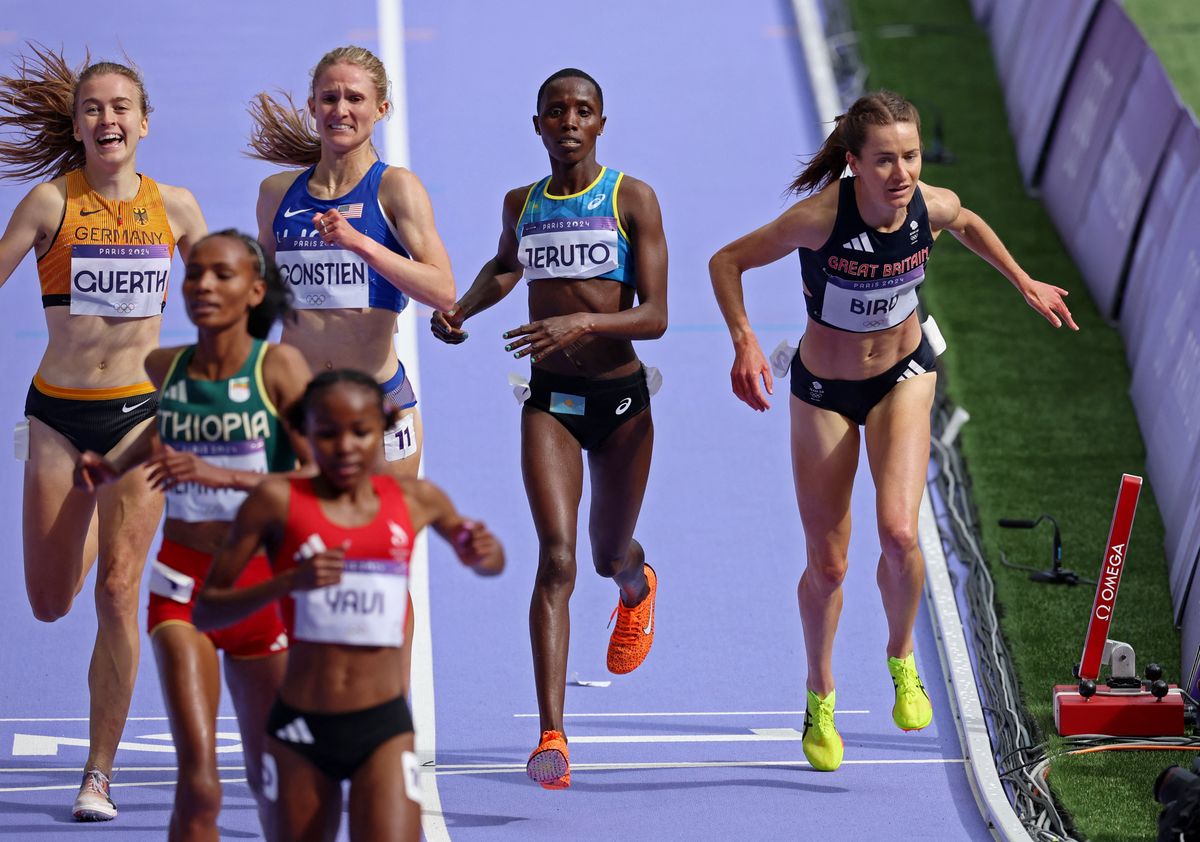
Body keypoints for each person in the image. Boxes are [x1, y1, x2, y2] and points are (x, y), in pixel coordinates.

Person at [708, 90, 1078, 772]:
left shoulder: (926, 207)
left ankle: (901, 655)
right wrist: (745, 342)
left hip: (905, 375)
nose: (902, 173)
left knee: (901, 532)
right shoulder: (819, 218)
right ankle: (820, 692)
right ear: (853, 163)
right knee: (829, 564)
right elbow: (726, 262)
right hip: (824, 391)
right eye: (884, 161)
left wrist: (1023, 280)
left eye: (909, 156)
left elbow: (965, 220)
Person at [430, 68, 669, 789]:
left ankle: (637, 587)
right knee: (558, 561)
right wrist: (463, 309)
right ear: (536, 125)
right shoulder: (522, 203)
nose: (569, 121)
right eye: (555, 111)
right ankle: (552, 736)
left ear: (601, 122)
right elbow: (507, 267)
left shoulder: (632, 199)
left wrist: (586, 320)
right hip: (550, 404)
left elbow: (655, 315)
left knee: (605, 556)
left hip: (623, 403)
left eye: (583, 110)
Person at [0, 45, 207, 819]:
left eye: (121, 107)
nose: (108, 118)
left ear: (144, 124)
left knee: (122, 593)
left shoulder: (176, 207)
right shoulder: (49, 205)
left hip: (141, 418)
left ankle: (98, 774)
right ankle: (84, 519)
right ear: (79, 126)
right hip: (58, 417)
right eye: (94, 108)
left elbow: (226, 295)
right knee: (52, 602)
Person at [193, 370, 503, 842]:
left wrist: (481, 551)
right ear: (304, 433)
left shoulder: (417, 500)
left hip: (382, 729)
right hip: (301, 729)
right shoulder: (275, 502)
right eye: (328, 433)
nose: (345, 447)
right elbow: (207, 611)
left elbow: (491, 562)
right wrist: (287, 583)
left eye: (360, 432)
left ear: (383, 429)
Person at [75, 230, 310, 840]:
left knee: (270, 780)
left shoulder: (278, 367)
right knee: (199, 782)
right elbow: (166, 435)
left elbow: (323, 475)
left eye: (222, 275)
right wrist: (114, 465)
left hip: (261, 586)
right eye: (194, 274)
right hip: (183, 584)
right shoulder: (165, 366)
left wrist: (221, 475)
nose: (204, 285)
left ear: (254, 290)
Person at [250, 45, 455, 481]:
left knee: (381, 545)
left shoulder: (396, 189)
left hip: (378, 401)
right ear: (312, 106)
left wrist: (360, 244)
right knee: (299, 546)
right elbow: (258, 299)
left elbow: (442, 290)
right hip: (298, 402)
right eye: (329, 98)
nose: (340, 109)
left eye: (355, 99)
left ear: (381, 109)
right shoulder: (276, 194)